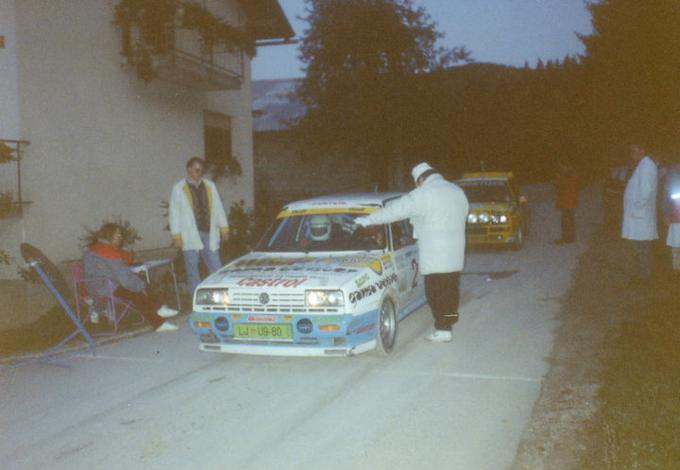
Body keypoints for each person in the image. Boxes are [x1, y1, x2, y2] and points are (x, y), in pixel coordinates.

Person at [355, 162, 469, 342]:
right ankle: (446, 326)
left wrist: (369, 220)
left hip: (435, 252)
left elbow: (396, 210)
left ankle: (442, 328)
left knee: (435, 292)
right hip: (455, 252)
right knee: (450, 290)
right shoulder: (456, 191)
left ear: (421, 179)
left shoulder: (424, 193)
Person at [83, 223, 179, 332]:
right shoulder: (106, 251)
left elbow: (120, 267)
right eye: (117, 235)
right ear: (109, 235)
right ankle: (158, 319)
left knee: (139, 282)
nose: (120, 237)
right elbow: (122, 276)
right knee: (136, 293)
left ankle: (159, 310)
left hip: (101, 284)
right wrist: (140, 286)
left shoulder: (98, 248)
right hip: (104, 286)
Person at [169, 157, 229, 295]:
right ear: (189, 169)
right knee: (192, 269)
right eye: (196, 170)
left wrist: (224, 228)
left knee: (216, 265)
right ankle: (196, 299)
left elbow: (218, 207)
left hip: (209, 232)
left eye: (201, 171)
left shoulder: (209, 186)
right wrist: (176, 236)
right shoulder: (178, 188)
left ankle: (220, 296)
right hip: (189, 235)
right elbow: (174, 214)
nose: (199, 173)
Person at [621, 144, 659, 283]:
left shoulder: (647, 166)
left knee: (642, 250)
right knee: (639, 249)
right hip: (639, 218)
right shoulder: (643, 165)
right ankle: (641, 276)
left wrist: (636, 209)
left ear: (642, 150)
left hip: (640, 217)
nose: (631, 153)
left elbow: (646, 191)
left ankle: (644, 279)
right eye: (631, 150)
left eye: (634, 150)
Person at [662, 161, 680, 275]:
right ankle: (676, 270)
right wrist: (666, 213)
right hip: (676, 217)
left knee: (676, 245)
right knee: (676, 245)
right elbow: (668, 198)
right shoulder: (673, 176)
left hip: (676, 216)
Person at [554, 161, 579, 244]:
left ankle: (566, 238)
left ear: (567, 167)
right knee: (570, 220)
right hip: (570, 201)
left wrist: (558, 179)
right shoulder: (572, 175)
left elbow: (562, 187)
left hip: (567, 202)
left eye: (562, 167)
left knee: (566, 221)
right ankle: (571, 238)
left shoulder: (569, 176)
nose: (561, 169)